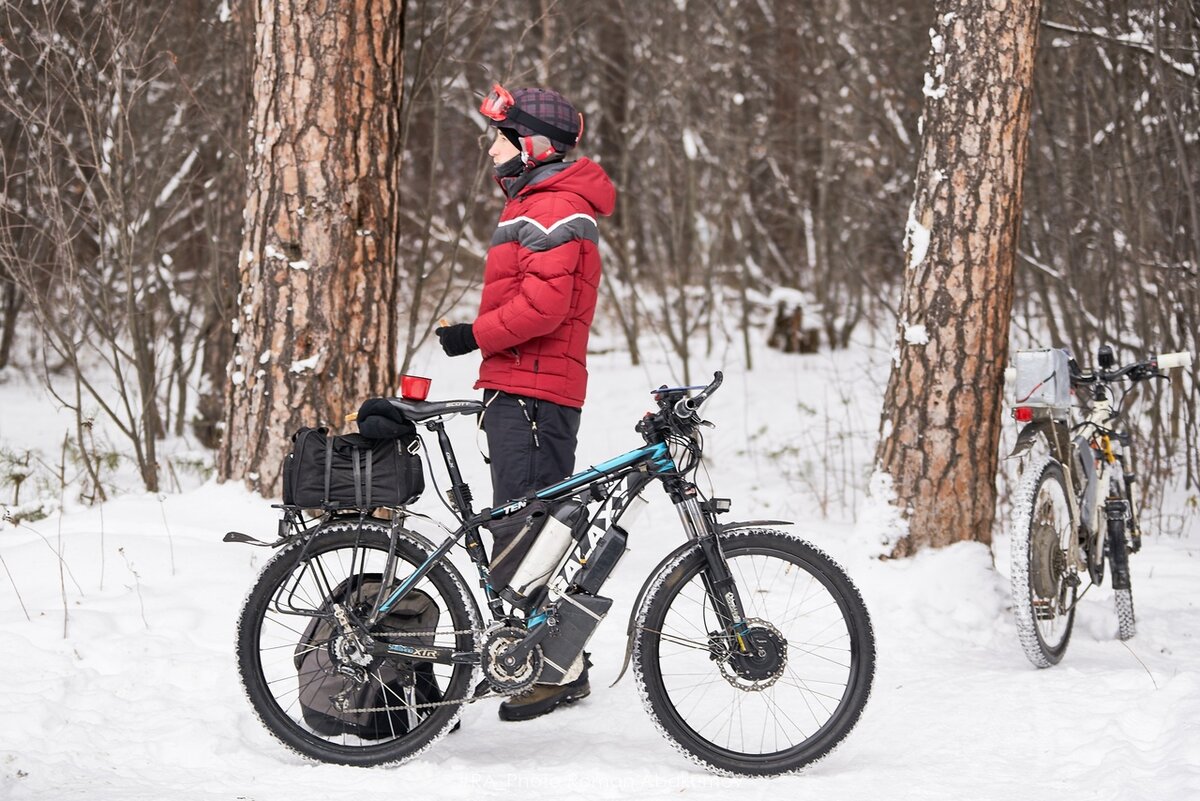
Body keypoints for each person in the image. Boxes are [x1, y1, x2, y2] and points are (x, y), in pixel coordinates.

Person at [435, 84, 615, 721]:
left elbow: (544, 308)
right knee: (532, 530)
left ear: (533, 147)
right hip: (527, 385)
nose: (490, 149)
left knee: (528, 531)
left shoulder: (551, 206)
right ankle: (554, 665)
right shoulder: (539, 201)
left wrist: (469, 337)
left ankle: (551, 673)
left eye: (500, 137)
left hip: (533, 388)